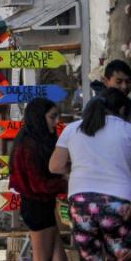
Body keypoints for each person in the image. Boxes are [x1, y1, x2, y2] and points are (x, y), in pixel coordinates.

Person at [50, 88, 131, 261]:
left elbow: (55, 166)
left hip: (81, 203)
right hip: (119, 203)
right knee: (121, 256)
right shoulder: (127, 129)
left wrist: (77, 168)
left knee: (90, 258)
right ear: (123, 109)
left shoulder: (72, 129)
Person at [8, 98, 68, 261]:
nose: (57, 122)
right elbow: (38, 184)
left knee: (59, 256)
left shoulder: (32, 140)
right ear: (38, 117)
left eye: (58, 116)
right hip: (36, 207)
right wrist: (66, 182)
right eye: (52, 117)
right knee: (43, 257)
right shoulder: (30, 145)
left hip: (42, 206)